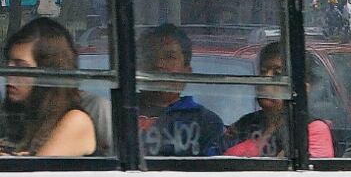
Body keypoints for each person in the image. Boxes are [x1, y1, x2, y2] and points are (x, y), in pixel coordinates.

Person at [0, 17, 96, 156]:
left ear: (47, 72)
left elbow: (37, 173)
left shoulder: (76, 121)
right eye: (8, 65)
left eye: (21, 67)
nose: (9, 75)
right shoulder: (21, 117)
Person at [221, 42, 334, 158]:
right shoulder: (245, 123)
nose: (265, 80)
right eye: (263, 72)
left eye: (277, 75)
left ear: (302, 89)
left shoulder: (312, 130)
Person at [137, 23, 224, 156]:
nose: (158, 64)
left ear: (186, 72)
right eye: (150, 56)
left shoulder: (205, 122)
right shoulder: (118, 110)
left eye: (169, 57)